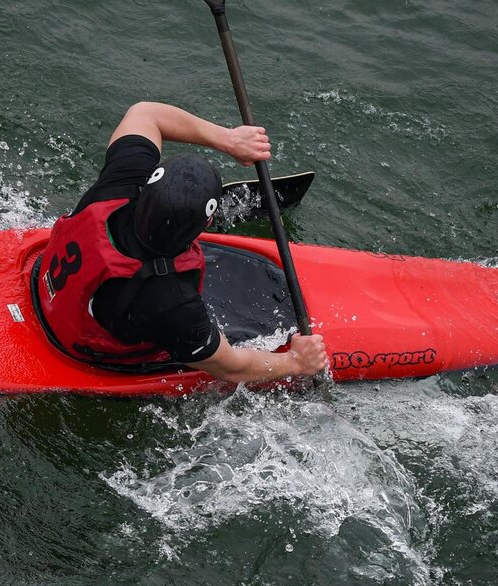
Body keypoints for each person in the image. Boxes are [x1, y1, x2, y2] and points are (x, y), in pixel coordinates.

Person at [35, 101, 327, 385]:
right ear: (207, 225)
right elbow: (230, 367)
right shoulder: (171, 301)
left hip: (45, 287)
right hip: (88, 347)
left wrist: (229, 139)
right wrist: (297, 362)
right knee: (224, 341)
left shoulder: (120, 180)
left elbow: (145, 113)